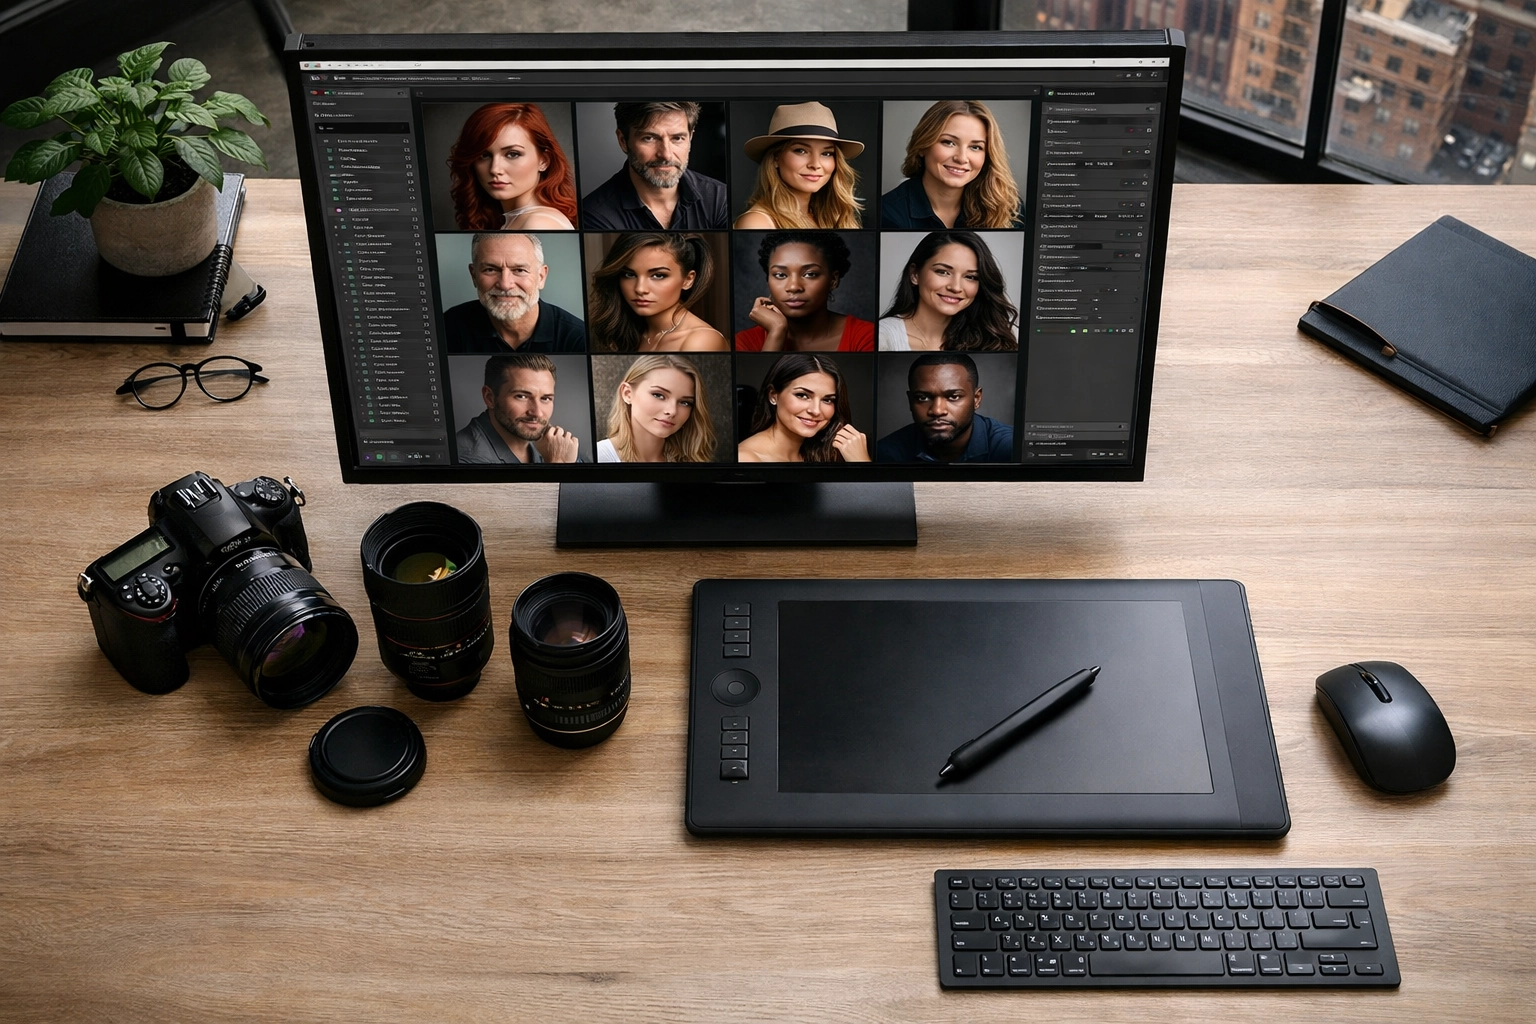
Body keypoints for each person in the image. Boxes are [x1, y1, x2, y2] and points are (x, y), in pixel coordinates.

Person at [581, 101, 729, 230]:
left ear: (690, 138)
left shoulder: (720, 198)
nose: (666, 155)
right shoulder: (594, 214)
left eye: (677, 138)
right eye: (649, 138)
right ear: (623, 141)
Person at [880, 100, 1022, 230]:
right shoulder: (886, 213)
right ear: (922, 146)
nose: (962, 158)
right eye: (948, 142)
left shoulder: (1010, 209)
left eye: (975, 147)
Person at [443, 233, 585, 353]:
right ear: (474, 276)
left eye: (519, 270)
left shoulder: (578, 338)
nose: (505, 284)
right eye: (490, 269)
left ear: (541, 277)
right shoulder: (447, 327)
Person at [878, 231, 1018, 352]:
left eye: (970, 277)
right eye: (943, 272)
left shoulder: (1003, 335)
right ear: (914, 274)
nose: (956, 287)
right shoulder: (882, 337)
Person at [735, 231, 873, 352]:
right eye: (780, 275)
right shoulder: (744, 342)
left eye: (810, 274)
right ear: (768, 280)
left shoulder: (867, 336)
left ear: (833, 280)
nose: (794, 287)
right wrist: (776, 332)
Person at [588, 232, 728, 352]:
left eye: (658, 275)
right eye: (629, 275)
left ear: (688, 280)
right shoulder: (625, 333)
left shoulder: (701, 341)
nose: (640, 289)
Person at [447, 103, 577, 230]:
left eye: (513, 154)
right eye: (484, 155)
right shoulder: (515, 220)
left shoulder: (539, 223)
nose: (495, 169)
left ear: (544, 161)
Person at [734, 102, 864, 229]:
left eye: (827, 153)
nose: (815, 164)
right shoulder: (758, 222)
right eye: (801, 151)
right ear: (775, 158)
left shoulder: (834, 216)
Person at [876, 352, 1014, 463]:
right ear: (910, 401)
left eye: (954, 397)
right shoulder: (886, 453)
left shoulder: (1010, 448)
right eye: (923, 398)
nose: (937, 410)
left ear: (976, 399)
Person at [736, 352, 870, 463]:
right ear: (773, 395)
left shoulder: (824, 453)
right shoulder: (746, 459)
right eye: (802, 395)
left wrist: (861, 461)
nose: (816, 410)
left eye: (827, 400)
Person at [455, 353, 582, 464]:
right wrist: (557, 464)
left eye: (545, 398)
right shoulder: (465, 457)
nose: (537, 413)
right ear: (490, 398)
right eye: (521, 396)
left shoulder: (550, 444)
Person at [596, 354, 717, 463]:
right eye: (658, 395)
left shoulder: (691, 462)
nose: (672, 411)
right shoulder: (599, 457)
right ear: (627, 393)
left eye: (685, 403)